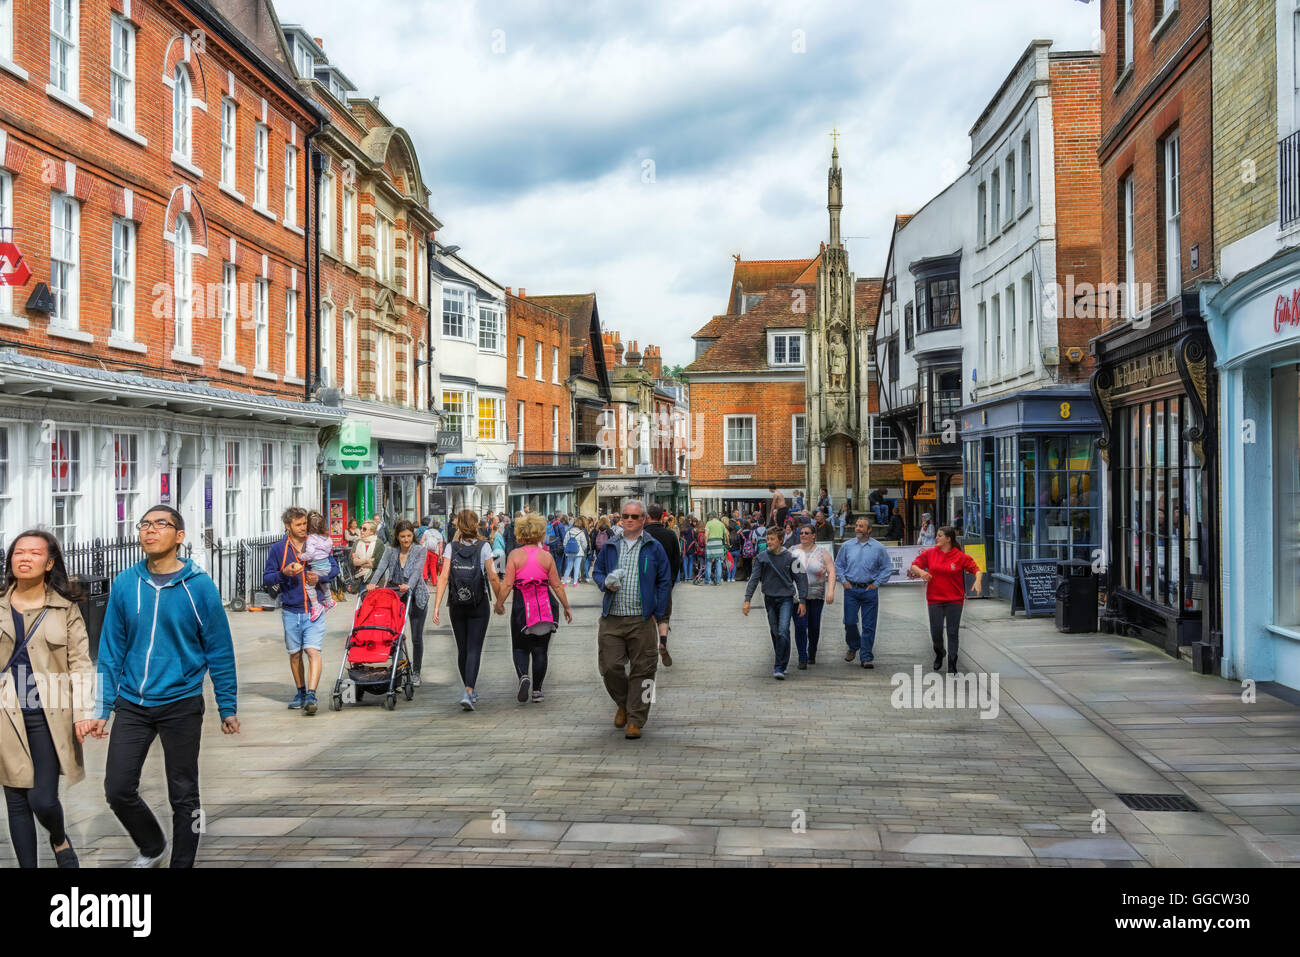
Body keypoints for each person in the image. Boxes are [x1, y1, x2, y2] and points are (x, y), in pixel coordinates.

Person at [92, 505, 238, 868]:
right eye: (145, 524)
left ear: (179, 536)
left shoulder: (200, 587)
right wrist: (102, 707)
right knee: (118, 788)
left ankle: (183, 862)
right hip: (133, 703)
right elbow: (111, 650)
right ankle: (153, 844)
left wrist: (227, 705)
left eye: (161, 524)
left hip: (182, 702)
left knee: (184, 795)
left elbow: (219, 649)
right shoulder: (126, 583)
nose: (150, 530)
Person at [0, 531, 95, 868]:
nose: (24, 558)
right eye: (18, 552)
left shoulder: (63, 608)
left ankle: (58, 837)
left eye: (34, 553)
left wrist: (83, 711)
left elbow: (81, 663)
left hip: (48, 711)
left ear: (49, 562)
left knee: (42, 799)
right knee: (15, 798)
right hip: (6, 714)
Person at [592, 500, 671, 740]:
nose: (629, 519)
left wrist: (658, 609)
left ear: (643, 519)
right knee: (609, 666)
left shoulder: (654, 546)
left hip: (641, 617)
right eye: (625, 515)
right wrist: (604, 582)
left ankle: (637, 719)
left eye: (634, 516)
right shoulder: (610, 545)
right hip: (613, 617)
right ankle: (624, 703)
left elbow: (664, 580)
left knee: (646, 670)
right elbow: (597, 571)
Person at [265, 507, 339, 714]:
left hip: (314, 610)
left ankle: (312, 695)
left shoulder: (315, 542)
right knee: (295, 654)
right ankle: (300, 691)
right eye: (298, 524)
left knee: (312, 650)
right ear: (287, 526)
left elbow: (334, 568)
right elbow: (267, 578)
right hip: (290, 610)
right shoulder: (278, 549)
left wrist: (321, 578)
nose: (303, 528)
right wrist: (284, 573)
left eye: (304, 523)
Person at [494, 513, 573, 703]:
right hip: (545, 604)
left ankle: (523, 676)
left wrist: (499, 603)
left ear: (520, 533)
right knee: (541, 650)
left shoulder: (515, 555)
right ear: (540, 533)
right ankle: (537, 690)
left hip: (522, 605)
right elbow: (557, 585)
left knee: (520, 647)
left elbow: (506, 585)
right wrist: (566, 606)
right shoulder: (546, 557)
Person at [433, 509, 502, 711]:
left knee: (462, 649)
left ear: (457, 526)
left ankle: (468, 688)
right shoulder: (484, 547)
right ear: (476, 525)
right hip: (478, 604)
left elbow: (444, 577)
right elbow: (493, 577)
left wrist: (436, 606)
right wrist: (499, 601)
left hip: (456, 603)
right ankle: (469, 690)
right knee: (474, 649)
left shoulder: (450, 547)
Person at [909, 526, 984, 673]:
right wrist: (922, 572)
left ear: (948, 539)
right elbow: (914, 565)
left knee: (952, 631)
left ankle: (952, 662)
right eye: (937, 535)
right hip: (935, 599)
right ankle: (939, 652)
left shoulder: (959, 556)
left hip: (954, 599)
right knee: (936, 632)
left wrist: (978, 581)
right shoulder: (930, 553)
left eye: (940, 536)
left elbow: (976, 569)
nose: (936, 538)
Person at [365, 519, 430, 687]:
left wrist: (409, 585)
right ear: (397, 536)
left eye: (409, 536)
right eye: (402, 537)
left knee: (416, 636)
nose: (406, 540)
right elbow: (381, 568)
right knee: (395, 635)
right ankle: (398, 672)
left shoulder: (420, 550)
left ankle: (416, 672)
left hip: (416, 595)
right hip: (394, 594)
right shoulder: (390, 550)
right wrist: (373, 583)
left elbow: (417, 571)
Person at [742, 527, 807, 680]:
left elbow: (801, 579)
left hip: (786, 599)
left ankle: (779, 666)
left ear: (780, 540)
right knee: (775, 631)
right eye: (767, 539)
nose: (768, 542)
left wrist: (802, 600)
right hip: (769, 599)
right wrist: (747, 599)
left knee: (783, 630)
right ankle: (782, 661)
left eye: (772, 539)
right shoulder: (761, 557)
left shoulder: (791, 558)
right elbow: (754, 579)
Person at [834, 515, 892, 669]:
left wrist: (877, 583)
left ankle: (866, 656)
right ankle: (854, 646)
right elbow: (838, 565)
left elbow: (886, 568)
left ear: (869, 530)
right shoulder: (846, 546)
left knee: (869, 625)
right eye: (857, 525)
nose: (858, 528)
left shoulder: (878, 548)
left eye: (861, 526)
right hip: (851, 589)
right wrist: (844, 581)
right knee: (850, 622)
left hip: (869, 590)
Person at [792, 525, 836, 669]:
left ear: (813, 535)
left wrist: (831, 591)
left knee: (814, 627)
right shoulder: (792, 551)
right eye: (801, 532)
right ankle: (802, 657)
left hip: (816, 595)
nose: (803, 535)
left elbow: (831, 571)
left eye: (806, 533)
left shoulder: (822, 552)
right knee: (800, 626)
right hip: (798, 597)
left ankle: (812, 652)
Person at [643, 504, 681, 667]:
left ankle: (648, 647)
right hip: (665, 581)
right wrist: (671, 581)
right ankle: (663, 642)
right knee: (664, 615)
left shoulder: (643, 535)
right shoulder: (670, 535)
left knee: (647, 614)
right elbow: (676, 559)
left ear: (648, 517)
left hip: (646, 581)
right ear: (661, 517)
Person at [302, 510, 338, 621]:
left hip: (317, 566)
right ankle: (329, 601)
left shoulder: (311, 539)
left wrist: (301, 556)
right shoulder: (327, 537)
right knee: (324, 583)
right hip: (326, 565)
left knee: (309, 586)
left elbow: (310, 554)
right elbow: (329, 549)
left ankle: (316, 606)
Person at [704, 512, 728, 585]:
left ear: (711, 517)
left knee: (708, 562)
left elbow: (706, 535)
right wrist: (727, 542)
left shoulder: (708, 523)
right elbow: (726, 534)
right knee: (718, 562)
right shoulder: (721, 524)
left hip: (710, 543)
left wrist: (705, 542)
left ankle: (707, 580)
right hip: (719, 543)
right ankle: (718, 581)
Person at [561, 518, 587, 585]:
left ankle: (564, 581)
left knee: (569, 567)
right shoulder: (581, 533)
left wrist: (567, 549)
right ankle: (575, 582)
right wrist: (582, 549)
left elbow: (564, 542)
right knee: (577, 567)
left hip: (569, 552)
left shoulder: (568, 532)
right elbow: (584, 544)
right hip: (579, 552)